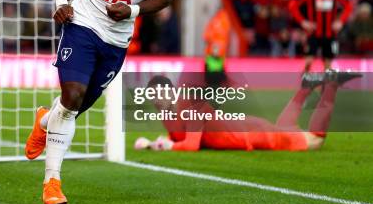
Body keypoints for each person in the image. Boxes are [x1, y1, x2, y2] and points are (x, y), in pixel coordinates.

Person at [24, 0, 177, 204]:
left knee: (72, 109)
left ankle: (43, 121)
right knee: (72, 96)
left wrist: (133, 11)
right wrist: (61, 1)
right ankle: (52, 182)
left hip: (117, 42)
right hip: (81, 26)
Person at [134, 70, 361, 152]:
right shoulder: (168, 113)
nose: (157, 103)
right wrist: (158, 143)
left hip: (251, 136)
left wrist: (158, 145)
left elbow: (190, 146)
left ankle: (330, 85)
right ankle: (304, 88)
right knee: (285, 128)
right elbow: (179, 138)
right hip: (249, 129)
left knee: (314, 142)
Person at [288, 0, 353, 72]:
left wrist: (340, 21)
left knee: (328, 64)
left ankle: (326, 86)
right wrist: (303, 22)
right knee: (308, 62)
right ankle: (305, 85)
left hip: (330, 34)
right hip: (313, 33)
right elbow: (292, 5)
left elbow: (349, 6)